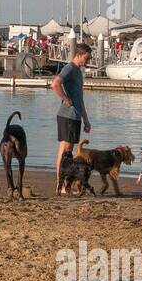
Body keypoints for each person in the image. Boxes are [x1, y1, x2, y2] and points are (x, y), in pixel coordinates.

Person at [50, 43, 93, 192]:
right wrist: (65, 98)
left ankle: (63, 185)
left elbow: (80, 99)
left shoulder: (78, 72)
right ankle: (61, 185)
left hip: (75, 116)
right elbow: (55, 83)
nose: (87, 62)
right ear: (79, 55)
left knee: (67, 150)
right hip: (67, 115)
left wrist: (86, 119)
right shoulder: (69, 68)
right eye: (86, 59)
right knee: (66, 151)